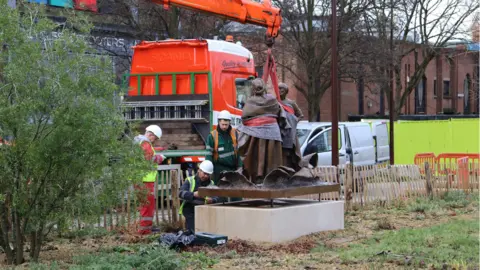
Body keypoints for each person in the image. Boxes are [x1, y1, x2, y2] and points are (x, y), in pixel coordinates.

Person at [237, 78, 285, 183]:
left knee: (258, 153)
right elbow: (279, 111)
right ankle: (271, 178)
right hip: (272, 131)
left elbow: (244, 116)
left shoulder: (251, 100)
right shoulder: (272, 99)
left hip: (256, 132)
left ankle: (259, 177)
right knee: (271, 155)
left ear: (253, 88)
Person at [133, 125, 166, 235]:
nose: (155, 141)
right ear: (151, 134)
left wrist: (157, 150)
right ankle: (145, 230)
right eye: (155, 138)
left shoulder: (140, 142)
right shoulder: (145, 143)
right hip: (144, 180)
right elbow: (149, 158)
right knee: (148, 205)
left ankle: (145, 228)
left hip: (140, 178)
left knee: (144, 204)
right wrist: (160, 158)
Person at [206, 110, 243, 202]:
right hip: (218, 170)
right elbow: (208, 155)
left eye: (226, 124)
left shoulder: (235, 134)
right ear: (218, 122)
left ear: (229, 122)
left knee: (236, 193)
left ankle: (237, 209)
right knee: (220, 195)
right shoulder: (212, 136)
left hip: (233, 169)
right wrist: (209, 171)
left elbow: (239, 152)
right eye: (222, 124)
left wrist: (240, 167)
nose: (224, 126)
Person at [179, 160, 218, 232]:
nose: (206, 176)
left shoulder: (211, 184)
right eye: (204, 173)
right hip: (190, 209)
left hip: (204, 210)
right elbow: (181, 193)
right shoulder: (190, 180)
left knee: (205, 231)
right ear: (199, 170)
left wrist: (212, 200)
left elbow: (217, 197)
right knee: (192, 231)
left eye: (208, 174)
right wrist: (193, 194)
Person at [278, 82, 303, 168]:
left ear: (286, 91)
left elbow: (300, 115)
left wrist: (294, 121)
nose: (280, 90)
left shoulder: (291, 103)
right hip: (279, 131)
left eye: (282, 89)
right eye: (278, 88)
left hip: (289, 132)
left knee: (289, 152)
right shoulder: (274, 102)